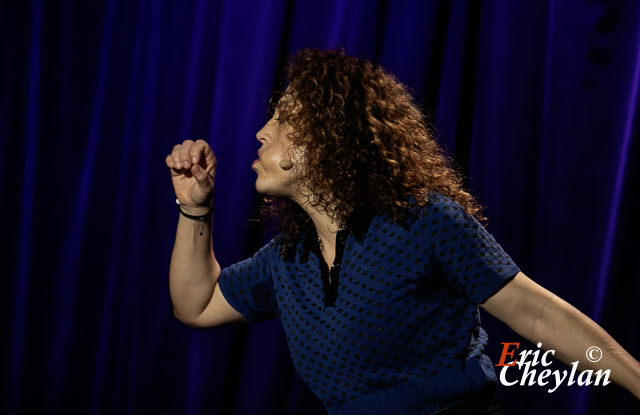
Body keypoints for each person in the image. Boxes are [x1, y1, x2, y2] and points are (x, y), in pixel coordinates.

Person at [166, 49, 640, 414]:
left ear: (332, 135)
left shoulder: (422, 219)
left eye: (285, 119)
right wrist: (195, 209)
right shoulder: (287, 259)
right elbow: (197, 305)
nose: (261, 133)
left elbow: (536, 315)